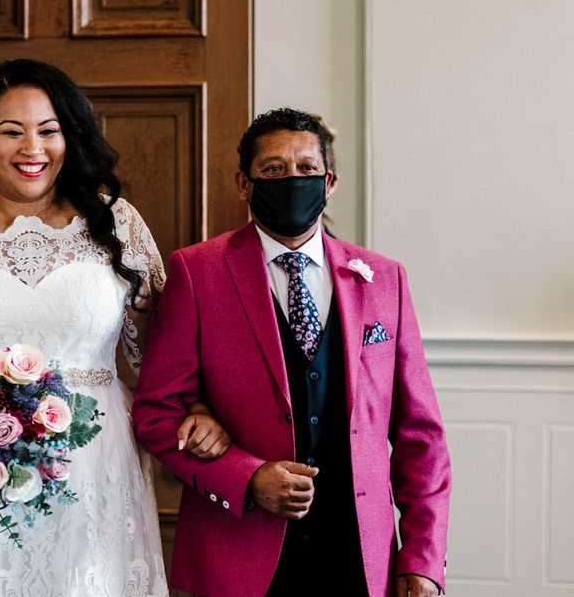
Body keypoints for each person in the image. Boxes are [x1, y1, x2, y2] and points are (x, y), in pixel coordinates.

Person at [0, 58, 226, 596]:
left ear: (69, 137)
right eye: (12, 131)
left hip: (93, 463)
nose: (34, 148)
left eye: (48, 130)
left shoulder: (113, 224)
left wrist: (197, 411)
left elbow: (165, 356)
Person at [132, 108, 451, 597]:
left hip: (359, 554)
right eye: (274, 170)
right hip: (239, 551)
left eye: (306, 169)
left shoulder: (384, 278)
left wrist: (423, 558)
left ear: (329, 182)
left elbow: (420, 436)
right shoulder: (197, 273)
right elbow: (156, 413)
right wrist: (248, 477)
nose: (292, 180)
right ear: (244, 183)